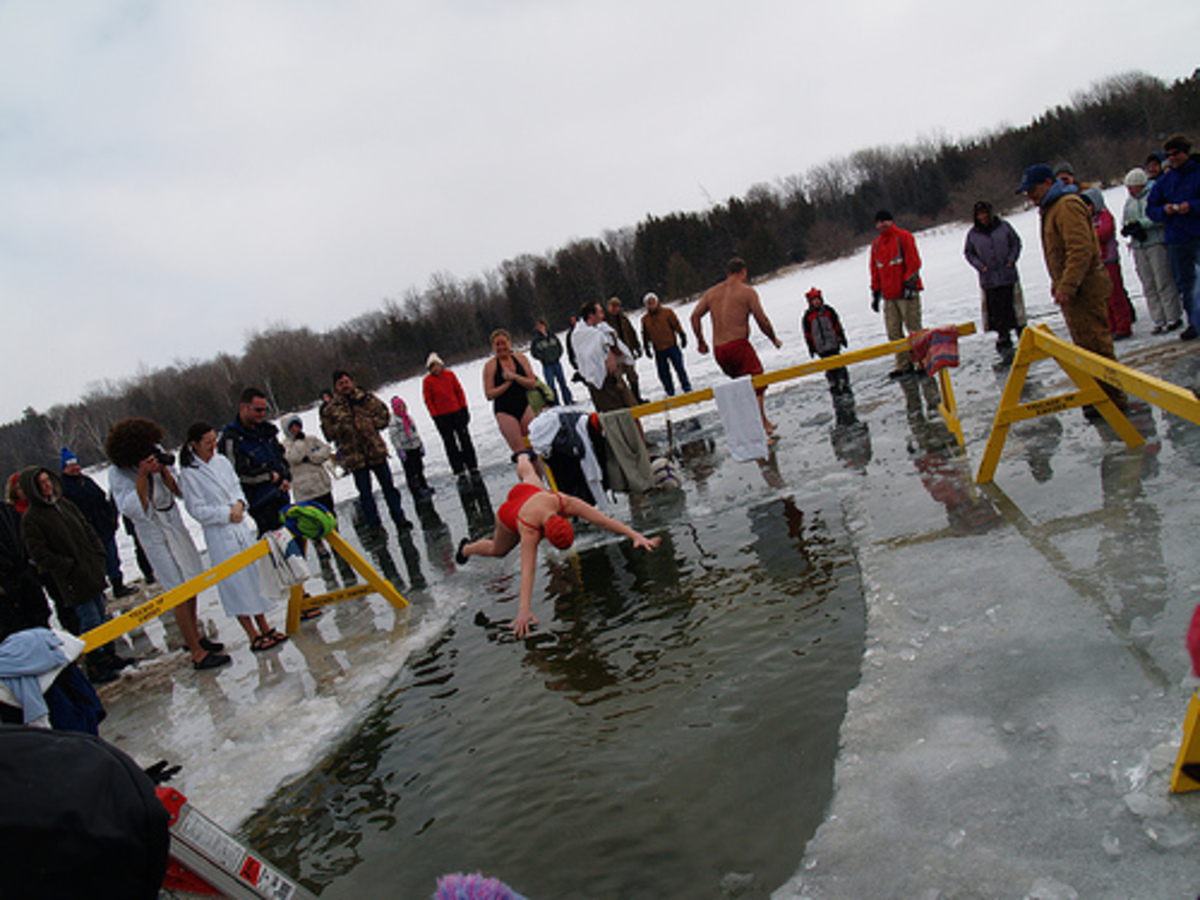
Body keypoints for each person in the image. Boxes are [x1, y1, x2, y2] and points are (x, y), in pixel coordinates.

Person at [455, 451, 660, 637]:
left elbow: (602, 520)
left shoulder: (564, 502)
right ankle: (467, 548)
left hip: (532, 494)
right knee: (498, 550)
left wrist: (635, 536)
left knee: (532, 478)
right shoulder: (530, 532)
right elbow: (528, 572)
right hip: (511, 514)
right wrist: (523, 610)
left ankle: (522, 457)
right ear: (544, 533)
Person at [106, 417, 226, 670]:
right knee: (177, 593)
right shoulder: (117, 473)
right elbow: (132, 508)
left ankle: (196, 636)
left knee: (190, 585)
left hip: (174, 526)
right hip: (155, 536)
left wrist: (163, 471)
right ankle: (196, 651)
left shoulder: (157, 453)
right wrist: (142, 474)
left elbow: (177, 491)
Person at [1016, 163, 1126, 415]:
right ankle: (1100, 395)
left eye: (1033, 190)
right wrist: (1060, 284)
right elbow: (1059, 254)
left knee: (1097, 344)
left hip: (1085, 288)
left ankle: (1113, 399)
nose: (1030, 197)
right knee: (1085, 344)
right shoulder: (1051, 209)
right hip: (1074, 290)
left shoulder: (1066, 206)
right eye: (1027, 193)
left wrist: (1068, 284)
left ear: (1047, 182)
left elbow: (1080, 249)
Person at [178, 423, 290, 653]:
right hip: (220, 534)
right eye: (207, 443)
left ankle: (265, 626)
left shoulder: (221, 462)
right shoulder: (189, 475)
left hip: (240, 526)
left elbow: (236, 487)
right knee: (235, 585)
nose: (213, 447)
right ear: (194, 445)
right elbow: (196, 509)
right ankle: (252, 634)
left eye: (213, 441)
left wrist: (240, 504)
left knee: (254, 579)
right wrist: (225, 514)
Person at [18, 466, 133, 683]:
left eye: (47, 480)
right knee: (89, 619)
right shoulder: (32, 518)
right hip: (72, 578)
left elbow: (86, 528)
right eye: (41, 483)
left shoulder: (64, 505)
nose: (47, 485)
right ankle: (95, 663)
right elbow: (39, 553)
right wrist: (68, 566)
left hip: (91, 569)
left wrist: (97, 553)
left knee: (102, 615)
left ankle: (108, 654)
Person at [691, 257, 783, 434]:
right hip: (738, 346)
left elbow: (694, 316)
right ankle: (757, 431)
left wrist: (700, 341)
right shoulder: (747, 292)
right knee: (757, 385)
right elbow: (761, 320)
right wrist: (773, 339)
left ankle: (763, 424)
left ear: (727, 273)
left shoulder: (712, 293)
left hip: (720, 351)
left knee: (744, 388)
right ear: (744, 272)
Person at [321, 370, 412, 533]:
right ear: (336, 387)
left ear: (352, 381)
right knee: (365, 495)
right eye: (341, 383)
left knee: (389, 488)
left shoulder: (365, 398)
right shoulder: (331, 409)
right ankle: (374, 526)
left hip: (375, 451)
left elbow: (384, 415)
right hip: (355, 457)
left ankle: (399, 518)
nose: (345, 385)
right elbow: (328, 433)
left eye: (347, 381)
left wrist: (371, 423)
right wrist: (342, 429)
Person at [59, 447, 135, 598]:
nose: (75, 468)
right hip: (86, 533)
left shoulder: (86, 481)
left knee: (112, 558)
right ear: (64, 468)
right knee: (94, 565)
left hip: (103, 527)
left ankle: (118, 586)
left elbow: (102, 498)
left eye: (76, 465)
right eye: (70, 466)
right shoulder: (63, 487)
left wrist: (111, 518)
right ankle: (100, 593)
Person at [1145, 133, 1200, 340]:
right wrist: (1165, 211)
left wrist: (1192, 207)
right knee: (1186, 283)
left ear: (1185, 152)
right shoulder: (1165, 182)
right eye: (1169, 155)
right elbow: (1151, 209)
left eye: (1176, 154)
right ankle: (1194, 322)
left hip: (1197, 233)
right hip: (1176, 238)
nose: (1172, 158)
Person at [219, 388, 291, 536]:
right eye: (258, 410)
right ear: (244, 407)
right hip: (260, 503)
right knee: (280, 548)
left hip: (282, 497)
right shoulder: (231, 438)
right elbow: (235, 475)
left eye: (264, 410)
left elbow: (280, 456)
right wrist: (269, 477)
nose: (262, 414)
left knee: (294, 544)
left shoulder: (267, 431)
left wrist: (284, 477)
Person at [1122, 167, 1184, 334]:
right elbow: (1126, 219)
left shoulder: (1153, 196)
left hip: (1156, 242)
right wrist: (1129, 229)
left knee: (1163, 280)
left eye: (1132, 187)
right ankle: (1158, 318)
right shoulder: (1130, 202)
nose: (1129, 190)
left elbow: (1159, 217)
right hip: (1139, 246)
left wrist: (1142, 224)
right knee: (1148, 283)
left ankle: (1173, 316)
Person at [963, 201, 1024, 355]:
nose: (983, 217)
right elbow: (969, 253)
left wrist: (1011, 259)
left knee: (1013, 305)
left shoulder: (1004, 226)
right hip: (989, 278)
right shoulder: (973, 234)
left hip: (1007, 274)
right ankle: (1003, 335)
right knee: (996, 310)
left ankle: (1021, 331)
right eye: (980, 214)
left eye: (985, 213)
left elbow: (1015, 243)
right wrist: (980, 266)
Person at [869, 211, 924, 377]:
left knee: (914, 329)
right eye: (879, 222)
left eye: (885, 221)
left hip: (906, 293)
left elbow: (913, 262)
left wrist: (909, 285)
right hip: (889, 296)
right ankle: (903, 364)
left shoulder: (903, 237)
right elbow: (875, 270)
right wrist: (875, 292)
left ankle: (921, 361)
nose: (882, 224)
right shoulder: (876, 245)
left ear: (891, 221)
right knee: (894, 332)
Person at [1081, 187, 1135, 339]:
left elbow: (1104, 233)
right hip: (1096, 263)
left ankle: (1123, 326)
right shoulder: (1085, 220)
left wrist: (1088, 237)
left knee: (1115, 295)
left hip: (1109, 260)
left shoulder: (1105, 216)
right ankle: (1111, 327)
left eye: (1088, 205)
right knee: (1103, 298)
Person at [573, 300, 639, 412]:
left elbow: (616, 346)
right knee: (613, 415)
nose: (602, 315)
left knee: (632, 409)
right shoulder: (581, 334)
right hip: (600, 384)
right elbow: (586, 357)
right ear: (591, 315)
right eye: (599, 312)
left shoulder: (602, 329)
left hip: (615, 378)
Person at [482, 330, 539, 457]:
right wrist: (506, 384)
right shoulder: (490, 366)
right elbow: (489, 394)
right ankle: (526, 475)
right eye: (497, 344)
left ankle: (538, 477)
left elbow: (532, 384)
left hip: (524, 405)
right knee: (521, 453)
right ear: (493, 347)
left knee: (533, 449)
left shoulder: (521, 359)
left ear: (509, 343)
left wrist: (515, 377)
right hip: (504, 411)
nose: (501, 347)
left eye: (503, 343)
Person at [422, 353, 479, 478]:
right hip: (442, 416)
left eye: (437, 366)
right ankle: (458, 468)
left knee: (465, 439)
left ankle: (472, 464)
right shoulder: (427, 381)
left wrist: (464, 408)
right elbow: (428, 400)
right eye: (433, 367)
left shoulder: (450, 375)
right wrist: (435, 417)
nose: (435, 369)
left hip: (457, 412)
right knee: (450, 443)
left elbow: (459, 391)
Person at [640, 292, 692, 396]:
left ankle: (686, 387)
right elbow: (645, 334)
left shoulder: (667, 313)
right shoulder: (645, 319)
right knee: (663, 373)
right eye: (648, 303)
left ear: (657, 302)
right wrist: (646, 347)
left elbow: (676, 325)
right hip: (658, 349)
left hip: (671, 345)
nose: (651, 305)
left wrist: (682, 335)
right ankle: (669, 391)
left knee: (679, 368)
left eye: (652, 302)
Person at [801, 287, 850, 393]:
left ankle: (843, 380)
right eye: (814, 300)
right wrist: (811, 348)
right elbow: (807, 334)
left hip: (833, 344)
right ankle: (833, 382)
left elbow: (837, 326)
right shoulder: (808, 317)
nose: (817, 302)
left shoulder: (828, 311)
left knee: (839, 363)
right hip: (821, 348)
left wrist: (842, 338)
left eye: (818, 299)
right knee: (828, 367)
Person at [388, 397, 434, 500]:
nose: (402, 408)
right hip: (406, 449)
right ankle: (415, 490)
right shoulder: (394, 422)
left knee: (419, 468)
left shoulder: (408, 418)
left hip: (415, 446)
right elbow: (394, 437)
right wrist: (399, 449)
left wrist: (420, 443)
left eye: (403, 406)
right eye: (399, 407)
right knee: (410, 471)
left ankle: (424, 485)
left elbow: (414, 431)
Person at [606, 297, 647, 404]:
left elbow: (631, 332)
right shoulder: (604, 322)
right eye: (613, 306)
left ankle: (636, 397)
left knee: (632, 376)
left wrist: (636, 346)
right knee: (618, 380)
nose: (615, 308)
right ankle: (624, 402)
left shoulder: (623, 319)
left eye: (617, 306)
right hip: (614, 355)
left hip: (626, 351)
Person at [529, 319, 574, 406]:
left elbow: (559, 347)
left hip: (557, 363)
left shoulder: (552, 335)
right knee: (551, 385)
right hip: (547, 365)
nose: (541, 327)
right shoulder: (536, 340)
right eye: (539, 326)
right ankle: (555, 403)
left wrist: (557, 355)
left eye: (542, 325)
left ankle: (568, 400)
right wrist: (543, 358)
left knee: (563, 383)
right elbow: (534, 353)